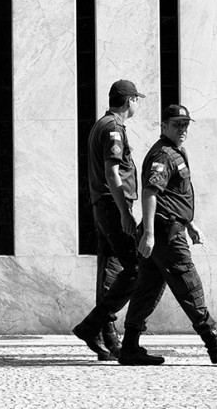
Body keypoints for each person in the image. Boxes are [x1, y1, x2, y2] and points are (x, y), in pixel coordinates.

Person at [118, 104, 217, 365]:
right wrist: (149, 234)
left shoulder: (176, 152)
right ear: (164, 126)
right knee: (189, 286)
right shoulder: (163, 155)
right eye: (177, 124)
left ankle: (129, 347)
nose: (183, 130)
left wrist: (190, 223)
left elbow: (174, 196)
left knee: (147, 290)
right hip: (164, 234)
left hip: (169, 228)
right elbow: (150, 193)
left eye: (186, 125)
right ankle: (214, 344)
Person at [72, 79, 145, 361]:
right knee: (137, 268)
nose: (137, 104)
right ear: (128, 101)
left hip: (103, 205)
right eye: (137, 99)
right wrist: (126, 214)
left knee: (110, 271)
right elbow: (113, 173)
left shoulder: (101, 125)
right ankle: (93, 325)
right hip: (113, 206)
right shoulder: (113, 129)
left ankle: (107, 334)